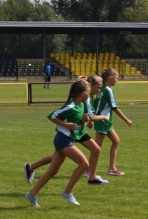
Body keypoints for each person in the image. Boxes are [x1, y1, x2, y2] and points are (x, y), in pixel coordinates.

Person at [25, 79, 100, 207]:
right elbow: (52, 115)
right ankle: (67, 192)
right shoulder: (70, 107)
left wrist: (84, 121)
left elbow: (77, 124)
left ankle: (32, 194)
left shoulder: (82, 106)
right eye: (88, 92)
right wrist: (65, 125)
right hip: (63, 139)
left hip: (68, 139)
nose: (89, 95)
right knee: (84, 164)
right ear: (83, 93)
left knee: (52, 171)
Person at [93, 68, 133, 176]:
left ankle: (111, 168)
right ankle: (89, 170)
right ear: (110, 78)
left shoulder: (102, 89)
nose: (117, 80)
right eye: (116, 77)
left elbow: (96, 104)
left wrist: (92, 118)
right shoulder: (108, 90)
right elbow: (114, 107)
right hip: (103, 120)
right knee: (97, 147)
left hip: (104, 120)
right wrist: (126, 120)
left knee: (116, 141)